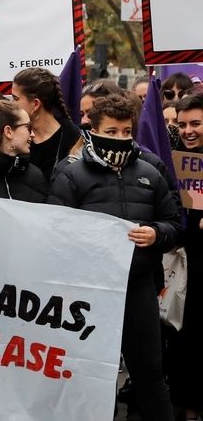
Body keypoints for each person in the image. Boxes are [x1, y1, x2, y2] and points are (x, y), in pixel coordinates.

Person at [50, 94, 179, 421]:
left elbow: (175, 223)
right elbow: (54, 232)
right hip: (88, 293)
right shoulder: (69, 173)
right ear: (92, 129)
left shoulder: (151, 170)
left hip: (138, 288)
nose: (121, 138)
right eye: (112, 131)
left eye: (126, 132)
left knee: (150, 374)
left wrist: (156, 234)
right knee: (92, 378)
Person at [169, 94, 203, 418]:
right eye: (182, 124)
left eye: (196, 123)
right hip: (185, 272)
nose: (188, 130)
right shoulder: (174, 163)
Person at [11, 67, 82, 181]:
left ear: (35, 104)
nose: (12, 104)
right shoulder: (13, 135)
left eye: (15, 98)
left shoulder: (74, 137)